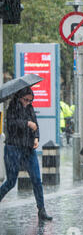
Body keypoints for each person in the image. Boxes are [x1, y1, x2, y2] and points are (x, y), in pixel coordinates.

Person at [0, 87, 52, 221]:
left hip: (28, 148)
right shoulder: (11, 108)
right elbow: (11, 125)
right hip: (13, 148)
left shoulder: (30, 108)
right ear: (20, 97)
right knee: (11, 181)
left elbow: (36, 125)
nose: (28, 102)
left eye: (31, 100)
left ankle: (41, 209)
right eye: (26, 100)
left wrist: (36, 138)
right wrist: (26, 123)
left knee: (36, 179)